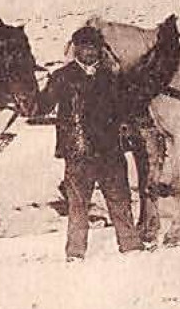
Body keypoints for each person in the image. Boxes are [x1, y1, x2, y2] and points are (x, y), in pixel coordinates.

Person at [37, 26, 141, 261]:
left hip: (110, 152)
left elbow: (126, 109)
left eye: (93, 47)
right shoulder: (61, 77)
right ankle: (75, 253)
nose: (89, 52)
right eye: (84, 47)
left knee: (120, 199)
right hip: (78, 151)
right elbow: (42, 107)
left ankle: (131, 246)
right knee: (78, 204)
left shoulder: (112, 77)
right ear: (76, 50)